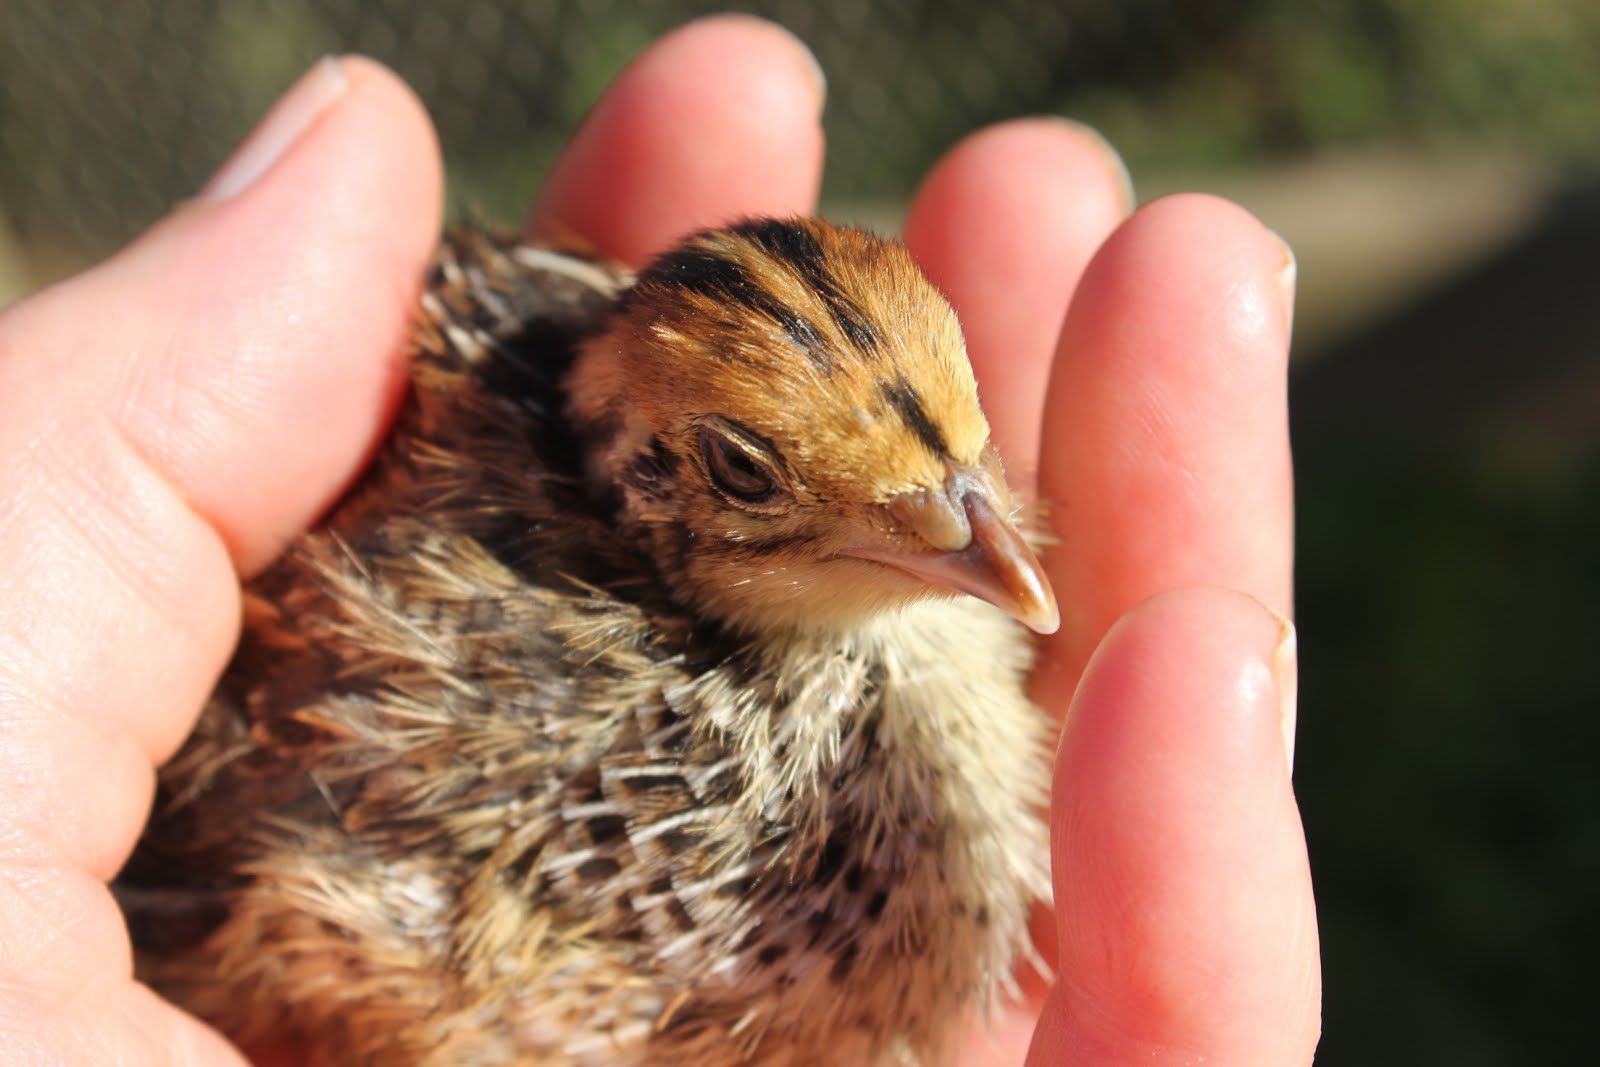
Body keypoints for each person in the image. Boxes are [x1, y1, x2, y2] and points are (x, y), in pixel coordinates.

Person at [0, 16, 1319, 1066]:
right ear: (647, 467)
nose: (980, 537)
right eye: (749, 472)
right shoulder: (501, 697)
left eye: (957, 468)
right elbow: (309, 892)